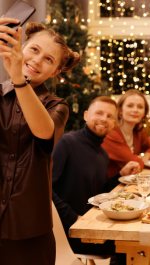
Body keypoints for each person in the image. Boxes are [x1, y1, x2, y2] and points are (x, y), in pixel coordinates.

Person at [0, 21, 80, 264]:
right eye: (34, 50)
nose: (37, 60)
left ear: (55, 72)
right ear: (22, 48)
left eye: (48, 59)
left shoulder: (57, 106)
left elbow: (44, 132)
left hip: (30, 229)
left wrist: (18, 79)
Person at [52, 96, 140, 264]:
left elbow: (99, 193)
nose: (103, 119)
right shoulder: (67, 143)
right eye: (98, 113)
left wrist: (120, 174)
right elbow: (45, 188)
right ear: (86, 115)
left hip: (91, 227)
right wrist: (73, 218)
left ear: (114, 123)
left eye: (109, 116)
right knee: (133, 244)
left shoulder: (102, 154)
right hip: (70, 232)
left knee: (137, 237)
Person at [102, 89, 150, 178]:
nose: (135, 110)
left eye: (140, 107)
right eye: (130, 106)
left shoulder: (137, 130)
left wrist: (145, 157)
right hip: (109, 187)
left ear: (144, 113)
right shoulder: (111, 132)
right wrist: (138, 159)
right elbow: (133, 163)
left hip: (127, 182)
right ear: (120, 110)